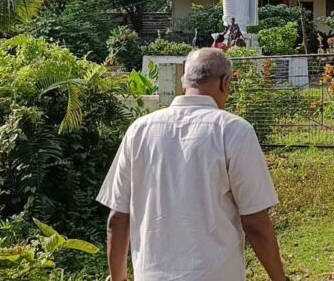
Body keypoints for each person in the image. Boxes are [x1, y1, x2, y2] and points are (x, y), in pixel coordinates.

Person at [97, 48, 288, 281]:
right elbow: (256, 222)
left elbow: (117, 218)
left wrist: (117, 278)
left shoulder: (140, 130)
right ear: (225, 82)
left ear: (183, 81)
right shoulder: (233, 131)